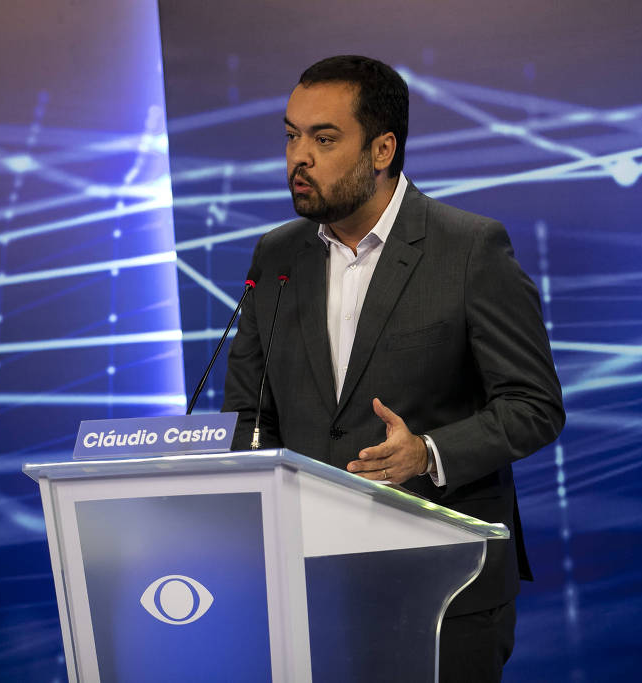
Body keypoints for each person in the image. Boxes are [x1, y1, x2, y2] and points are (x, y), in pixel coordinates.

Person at [223, 55, 564, 682]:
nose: (299, 157)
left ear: (382, 149)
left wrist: (428, 452)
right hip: (309, 584)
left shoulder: (469, 248)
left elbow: (534, 405)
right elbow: (249, 412)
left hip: (443, 588)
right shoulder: (277, 256)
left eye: (324, 139)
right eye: (292, 136)